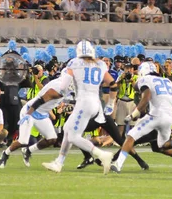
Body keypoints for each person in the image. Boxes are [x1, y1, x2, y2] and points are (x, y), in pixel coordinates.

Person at [42, 40, 117, 174]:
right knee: (67, 129)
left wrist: (60, 94)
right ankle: (59, 162)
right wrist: (111, 103)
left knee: (73, 136)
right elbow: (113, 84)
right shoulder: (100, 64)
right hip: (96, 103)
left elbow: (64, 86)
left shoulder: (74, 63)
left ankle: (102, 154)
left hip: (84, 102)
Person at [111, 62, 172, 173]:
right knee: (161, 145)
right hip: (168, 118)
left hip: (155, 116)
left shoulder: (145, 80)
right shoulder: (167, 81)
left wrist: (133, 114)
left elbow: (146, 97)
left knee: (131, 136)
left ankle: (118, 164)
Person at [0, 72, 67, 168]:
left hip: (42, 113)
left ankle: (28, 151)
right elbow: (39, 101)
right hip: (30, 111)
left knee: (52, 139)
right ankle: (5, 153)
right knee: (23, 141)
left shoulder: (63, 84)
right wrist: (28, 114)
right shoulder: (57, 88)